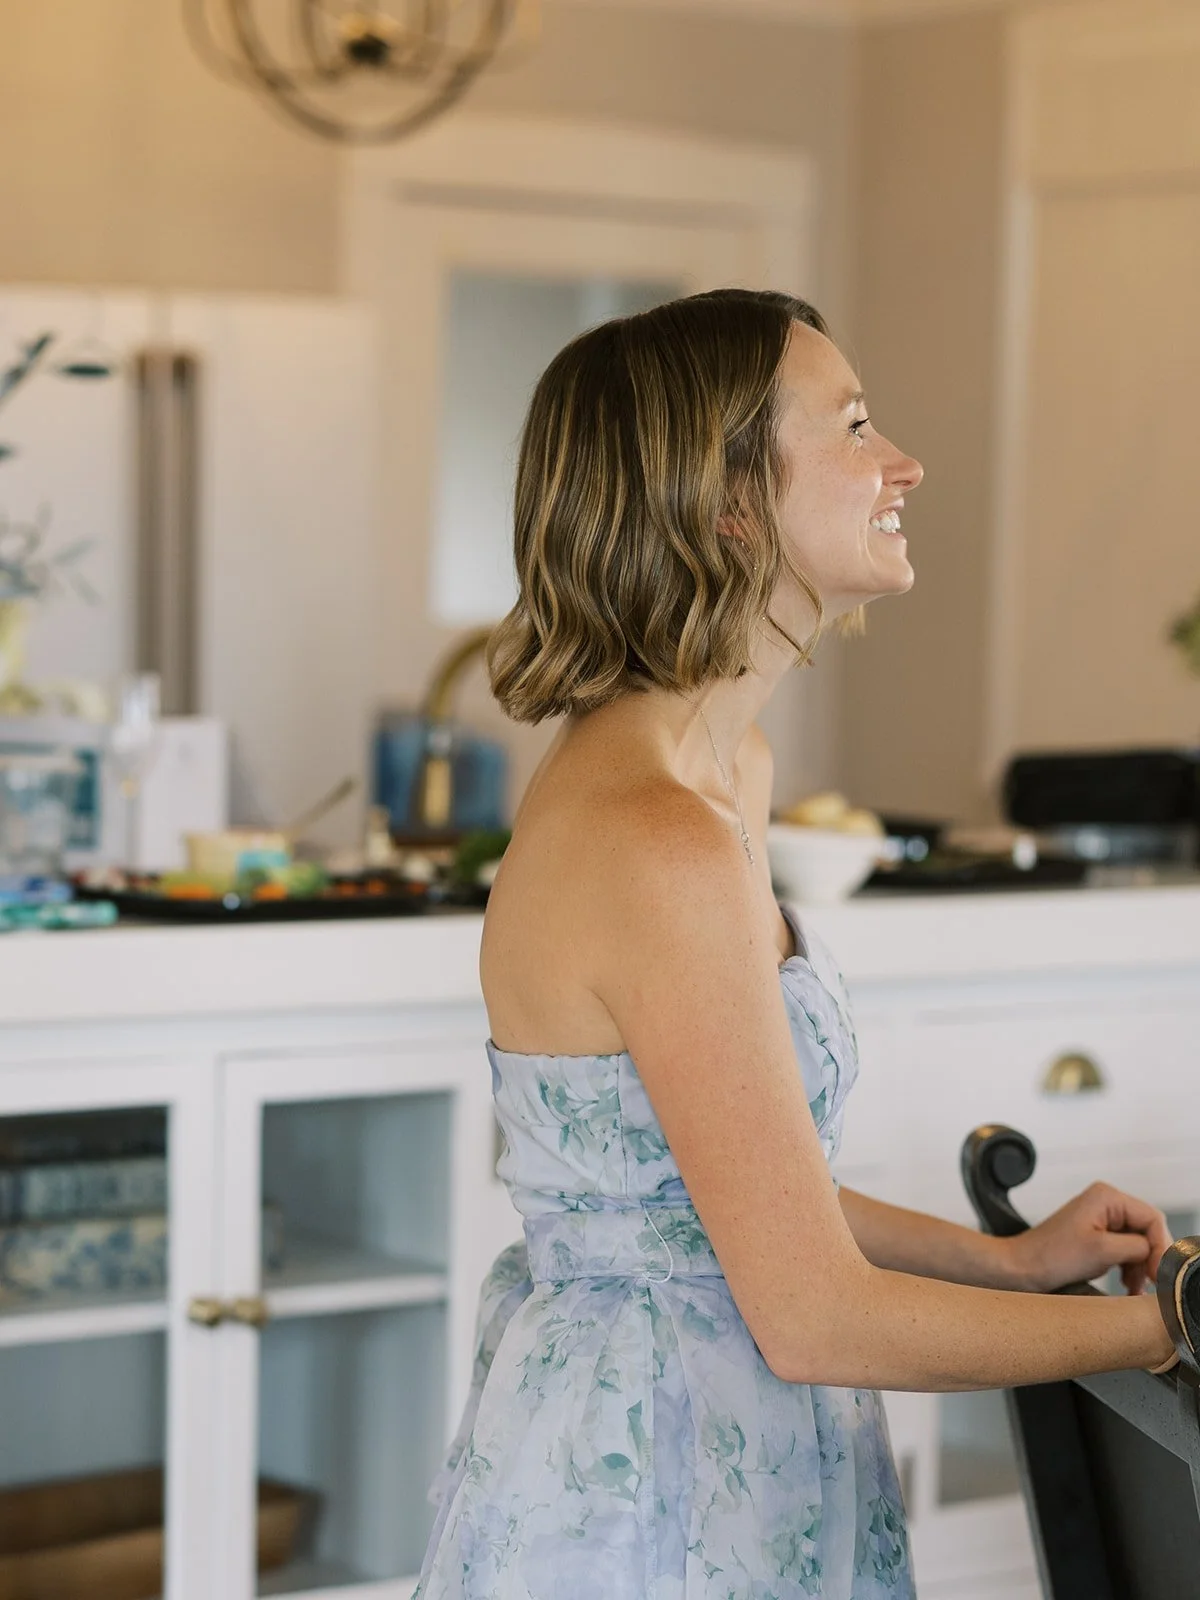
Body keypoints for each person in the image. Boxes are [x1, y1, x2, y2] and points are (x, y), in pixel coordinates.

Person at [410, 288, 1177, 1600]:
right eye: (857, 425)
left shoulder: (726, 775)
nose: (905, 462)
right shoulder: (654, 836)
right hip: (654, 1478)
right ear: (730, 505)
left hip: (741, 1443)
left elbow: (722, 1196)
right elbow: (814, 1313)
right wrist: (1158, 1334)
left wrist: (1008, 1263)